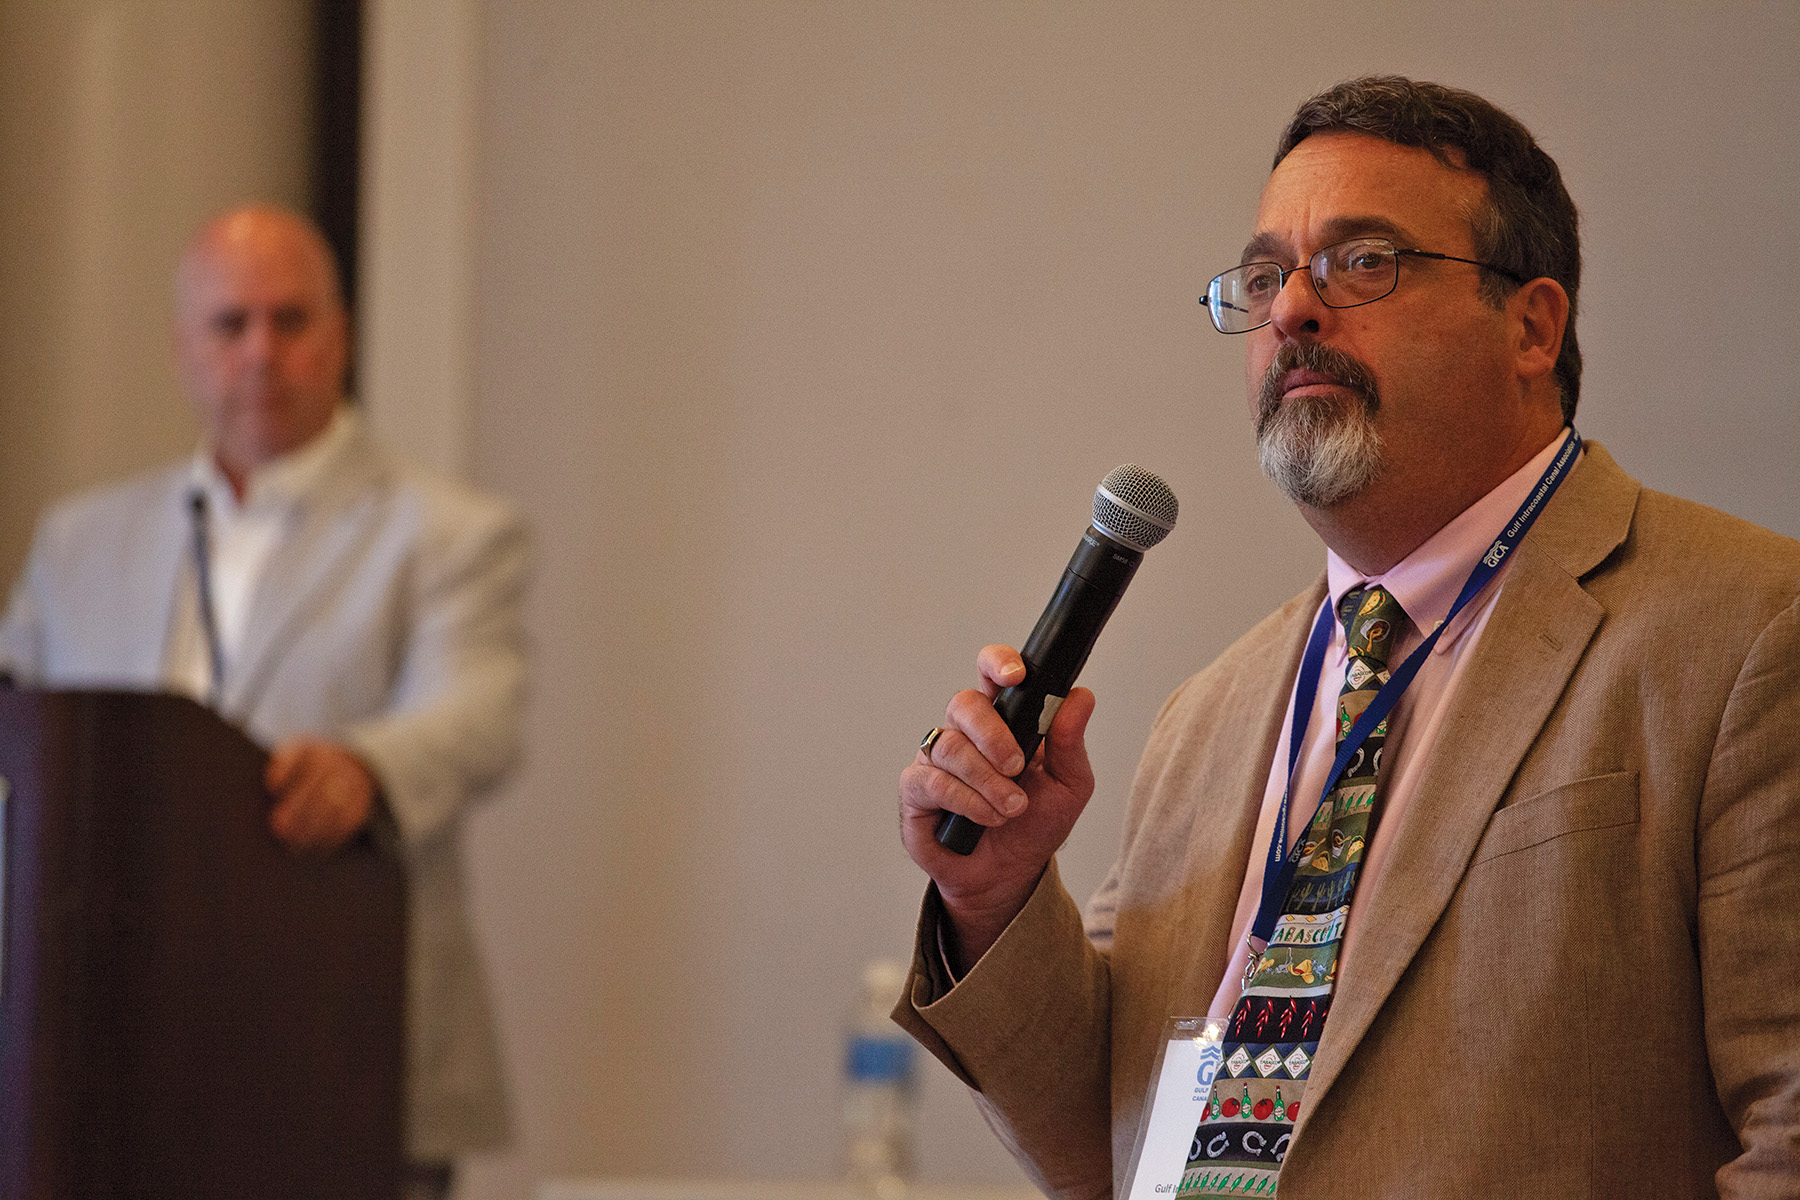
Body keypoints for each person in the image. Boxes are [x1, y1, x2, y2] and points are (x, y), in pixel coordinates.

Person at [895, 77, 1800, 1198]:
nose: (1292, 313)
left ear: (1532, 325)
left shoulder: (1753, 629)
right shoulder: (1208, 717)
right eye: (1268, 276)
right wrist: (999, 898)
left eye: (1363, 262)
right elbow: (1109, 1147)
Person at [0, 204, 523, 1195]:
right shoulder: (81, 540)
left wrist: (369, 768)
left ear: (343, 335)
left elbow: (477, 714)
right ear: (180, 346)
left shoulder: (449, 531)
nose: (260, 354)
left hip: (341, 1037)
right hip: (101, 1045)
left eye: (290, 321)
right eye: (228, 324)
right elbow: (18, 733)